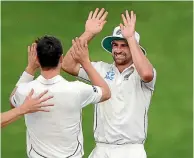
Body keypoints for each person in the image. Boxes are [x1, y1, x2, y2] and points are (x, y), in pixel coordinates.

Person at [62, 9, 156, 158]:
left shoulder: (142, 72)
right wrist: (89, 33)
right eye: (115, 45)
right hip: (101, 149)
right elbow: (67, 65)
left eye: (123, 45)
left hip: (131, 150)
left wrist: (130, 37)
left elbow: (147, 74)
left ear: (133, 48)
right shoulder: (101, 69)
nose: (118, 50)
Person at [10, 36, 110, 158]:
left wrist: (30, 68)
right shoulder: (77, 90)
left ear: (37, 59)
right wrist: (86, 63)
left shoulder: (24, 91)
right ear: (61, 58)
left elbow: (13, 102)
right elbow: (105, 92)